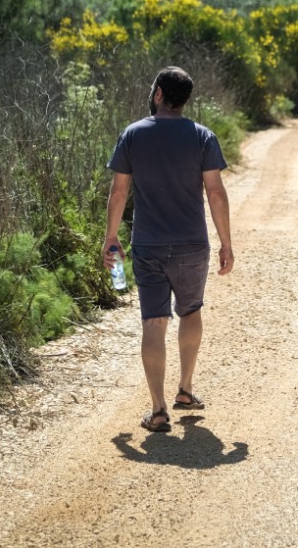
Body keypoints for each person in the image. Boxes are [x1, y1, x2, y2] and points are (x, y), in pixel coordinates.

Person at [103, 65, 234, 433]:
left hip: (148, 245)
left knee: (154, 321)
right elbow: (216, 194)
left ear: (159, 93)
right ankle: (186, 390)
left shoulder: (133, 134)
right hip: (193, 244)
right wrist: (226, 243)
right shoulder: (203, 136)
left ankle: (159, 410)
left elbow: (118, 192)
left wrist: (110, 237)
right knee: (191, 311)